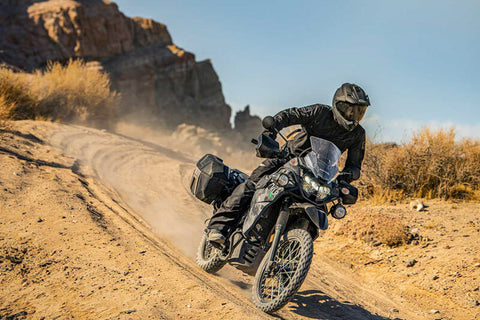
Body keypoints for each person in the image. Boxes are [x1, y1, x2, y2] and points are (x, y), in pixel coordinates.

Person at [207, 83, 371, 245]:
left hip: (318, 174)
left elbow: (354, 164)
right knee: (252, 184)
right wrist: (271, 131)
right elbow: (291, 115)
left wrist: (344, 180)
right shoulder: (320, 112)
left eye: (359, 111)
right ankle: (218, 227)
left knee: (320, 207)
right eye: (349, 109)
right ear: (337, 104)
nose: (352, 115)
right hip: (287, 158)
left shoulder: (357, 134)